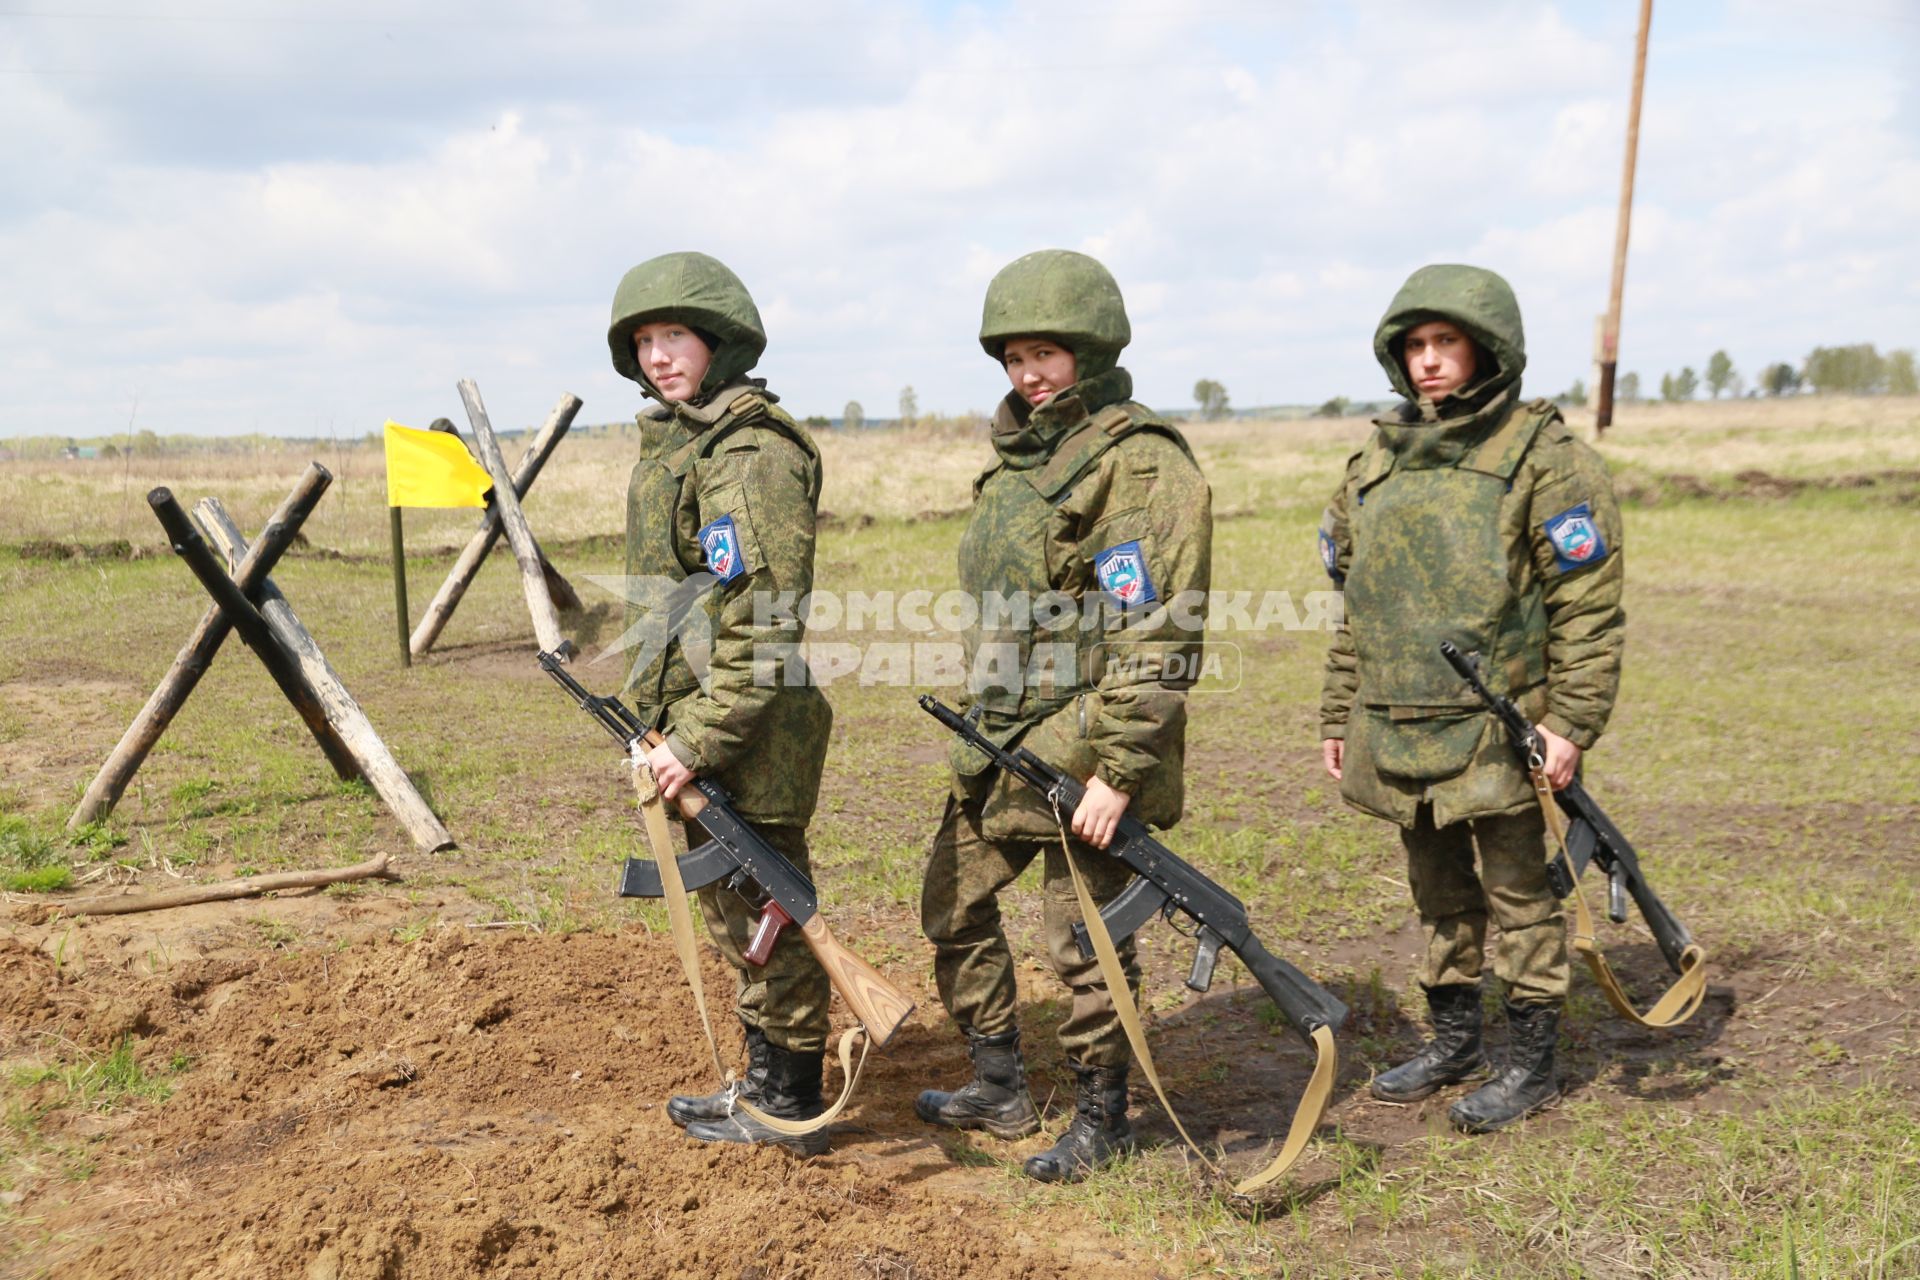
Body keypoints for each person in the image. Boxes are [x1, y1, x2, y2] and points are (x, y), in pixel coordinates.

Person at [916, 250, 1212, 1182]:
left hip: (1085, 753)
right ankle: (999, 1084)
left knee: (1083, 944)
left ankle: (1103, 1116)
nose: (1028, 373)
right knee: (951, 904)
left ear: (1089, 350)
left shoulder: (1138, 466)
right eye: (1012, 356)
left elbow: (1155, 628)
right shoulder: (1016, 466)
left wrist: (1119, 769)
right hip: (1000, 740)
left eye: (1045, 352)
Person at [1318, 263, 1625, 1133]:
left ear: (1487, 348)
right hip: (1400, 723)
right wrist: (1341, 711)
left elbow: (1589, 608)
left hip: (1505, 727)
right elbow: (1357, 606)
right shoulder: (1374, 463)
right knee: (1439, 893)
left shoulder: (1547, 461)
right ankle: (1455, 1041)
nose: (1427, 361)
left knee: (1523, 895)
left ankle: (1530, 1061)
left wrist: (1569, 722)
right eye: (1413, 345)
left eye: (1445, 341)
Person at [606, 251, 835, 1154]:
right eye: (644, 341)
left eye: (676, 337)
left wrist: (692, 740)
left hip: (743, 731)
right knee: (741, 913)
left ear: (718, 342)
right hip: (698, 724)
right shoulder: (686, 443)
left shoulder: (747, 454)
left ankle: (792, 1104)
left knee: (768, 906)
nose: (659, 356)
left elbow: (761, 622)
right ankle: (766, 1082)